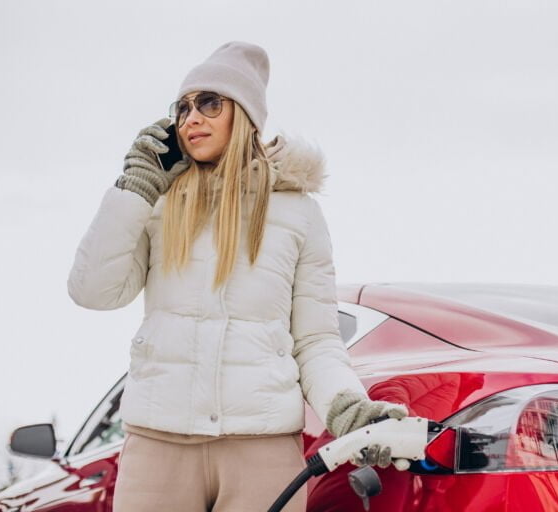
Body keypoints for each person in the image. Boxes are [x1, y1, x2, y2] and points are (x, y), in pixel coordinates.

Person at [67, 41, 408, 512]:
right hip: (158, 449)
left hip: (261, 450)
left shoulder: (298, 214)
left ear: (244, 115)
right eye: (182, 106)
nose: (192, 118)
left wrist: (347, 406)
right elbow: (92, 292)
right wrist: (135, 188)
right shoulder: (156, 203)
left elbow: (316, 341)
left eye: (210, 103)